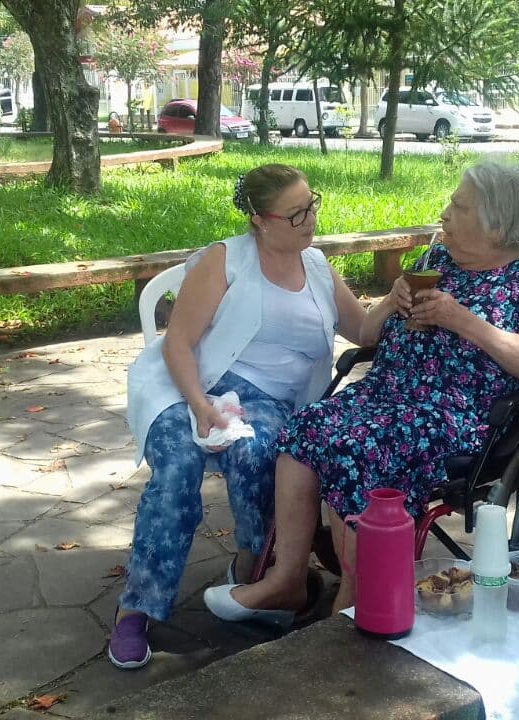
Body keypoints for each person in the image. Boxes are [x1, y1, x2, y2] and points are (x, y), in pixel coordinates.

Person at [204, 160, 519, 622]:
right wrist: (397, 302)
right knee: (305, 430)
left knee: (360, 449)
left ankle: (353, 600)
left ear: (495, 221)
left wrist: (462, 321)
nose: (445, 214)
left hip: (453, 409)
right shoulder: (436, 260)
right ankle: (286, 580)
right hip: (385, 393)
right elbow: (373, 331)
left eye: (459, 206)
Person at [110, 163, 385, 669]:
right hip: (193, 385)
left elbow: (364, 329)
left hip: (272, 402)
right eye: (296, 213)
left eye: (313, 204)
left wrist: (399, 298)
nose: (310, 219)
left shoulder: (318, 267)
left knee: (259, 449)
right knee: (177, 467)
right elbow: (179, 343)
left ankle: (256, 574)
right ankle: (137, 609)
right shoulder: (227, 260)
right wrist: (201, 407)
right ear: (260, 220)